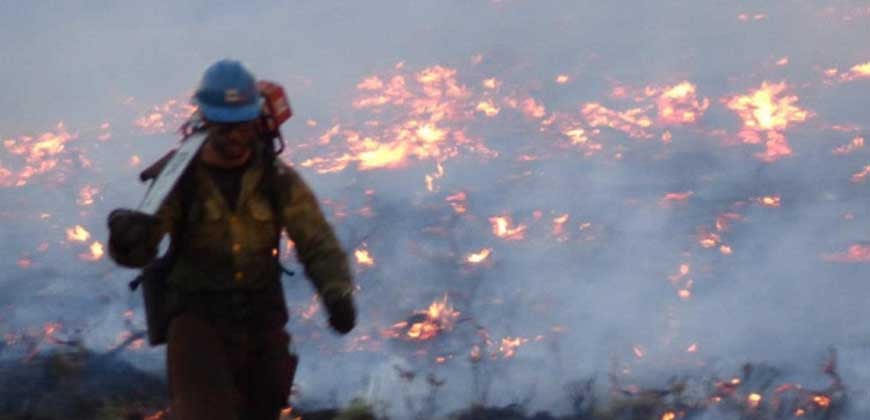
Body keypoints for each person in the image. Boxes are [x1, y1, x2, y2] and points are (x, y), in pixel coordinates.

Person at [106, 59, 356, 420]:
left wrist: (336, 292)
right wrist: (128, 239)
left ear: (256, 121)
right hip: (197, 322)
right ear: (205, 123)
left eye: (242, 126)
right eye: (224, 128)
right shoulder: (179, 178)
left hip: (261, 321)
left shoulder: (277, 180)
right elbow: (141, 248)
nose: (234, 137)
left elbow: (316, 241)